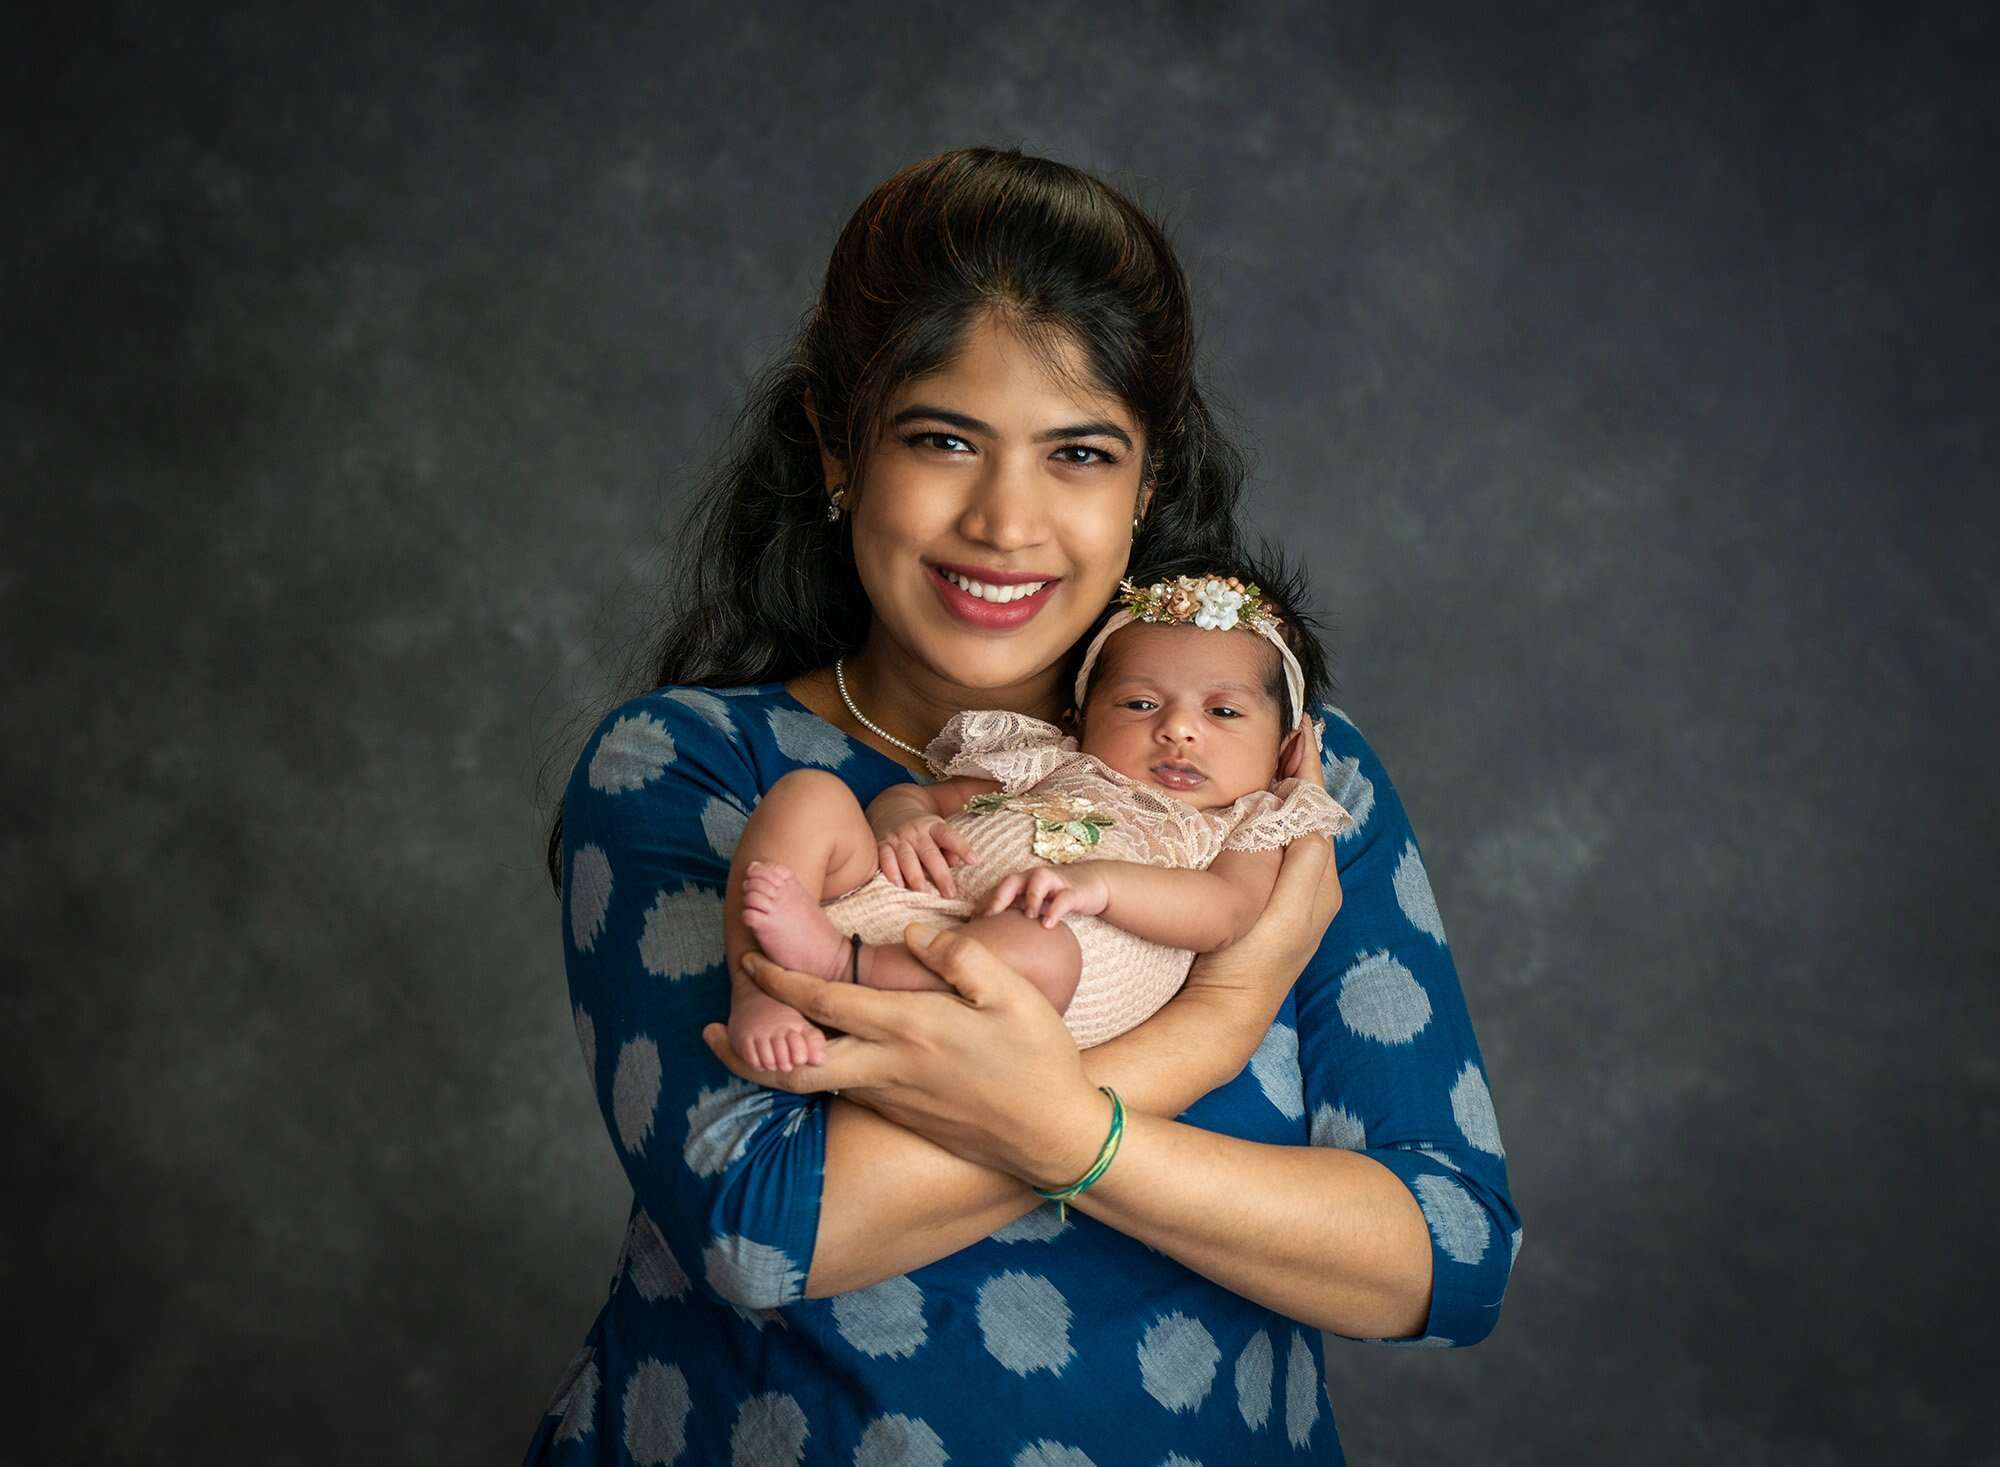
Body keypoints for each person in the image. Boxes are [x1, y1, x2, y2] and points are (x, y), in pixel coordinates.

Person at [526, 146, 1520, 1465]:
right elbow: (766, 1227)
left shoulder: (1281, 785)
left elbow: (1446, 1255)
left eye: (1080, 453)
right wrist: (1208, 1026)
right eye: (944, 439)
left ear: (1148, 480)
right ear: (839, 446)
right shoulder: (696, 768)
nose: (1007, 519)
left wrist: (1066, 1123)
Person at [725, 568, 1357, 1072]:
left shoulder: (1245, 824)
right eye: (1139, 704)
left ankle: (840, 967)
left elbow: (1225, 913)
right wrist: (900, 819)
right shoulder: (1051, 762)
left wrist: (1101, 885)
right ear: (1079, 718)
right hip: (909, 897)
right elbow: (923, 799)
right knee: (810, 794)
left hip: (1032, 979)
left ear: (1282, 748)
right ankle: (758, 985)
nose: (1178, 730)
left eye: (1223, 713)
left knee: (1036, 943)